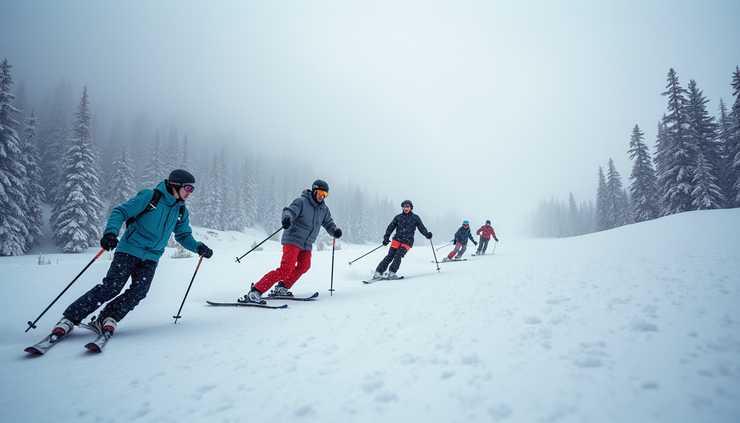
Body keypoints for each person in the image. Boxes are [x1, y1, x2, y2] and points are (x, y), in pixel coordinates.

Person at [49, 169, 213, 339]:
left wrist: (199, 247)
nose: (189, 192)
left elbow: (183, 235)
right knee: (112, 287)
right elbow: (120, 211)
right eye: (188, 188)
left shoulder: (181, 211)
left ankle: (108, 316)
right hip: (130, 249)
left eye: (192, 189)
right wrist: (111, 233)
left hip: (151, 256)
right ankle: (69, 318)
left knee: (139, 291)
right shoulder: (151, 197)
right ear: (175, 185)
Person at [240, 179, 342, 303]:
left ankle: (282, 287)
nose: (322, 196)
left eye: (325, 194)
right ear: (314, 190)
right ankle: (256, 291)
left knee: (304, 266)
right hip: (293, 239)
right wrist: (287, 218)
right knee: (286, 269)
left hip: (307, 243)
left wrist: (334, 230)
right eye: (320, 192)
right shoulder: (302, 202)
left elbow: (329, 223)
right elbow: (289, 210)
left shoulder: (324, 210)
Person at [373, 199, 432, 280]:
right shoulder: (398, 217)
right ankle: (378, 272)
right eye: (404, 206)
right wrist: (386, 238)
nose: (406, 208)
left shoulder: (415, 218)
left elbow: (421, 228)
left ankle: (392, 272)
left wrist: (427, 234)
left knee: (398, 255)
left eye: (407, 206)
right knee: (390, 256)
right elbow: (390, 228)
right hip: (397, 240)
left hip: (408, 242)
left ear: (411, 207)